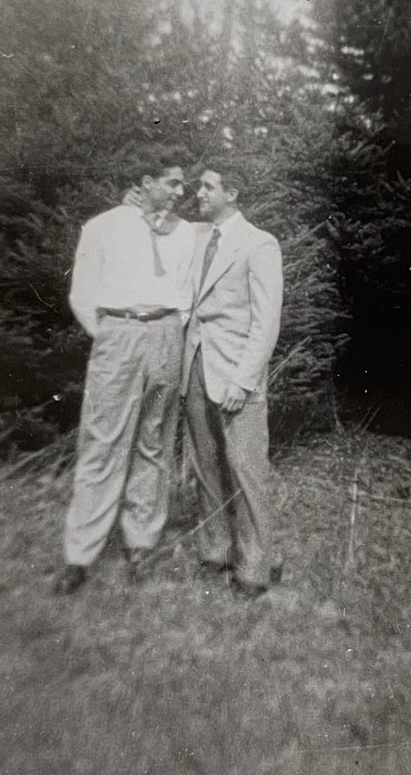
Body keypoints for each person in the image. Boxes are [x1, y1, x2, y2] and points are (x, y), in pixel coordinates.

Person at [56, 148, 198, 594]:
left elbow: (190, 290)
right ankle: (80, 554)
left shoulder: (186, 234)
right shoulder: (102, 228)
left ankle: (141, 543)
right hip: (118, 333)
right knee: (103, 442)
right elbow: (82, 294)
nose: (181, 192)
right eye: (172, 183)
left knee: (154, 440)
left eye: (183, 184)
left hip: (166, 334)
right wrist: (111, 335)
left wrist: (172, 327)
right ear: (146, 180)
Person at [182, 163, 284, 598]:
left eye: (208, 187)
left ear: (234, 192)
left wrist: (244, 381)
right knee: (205, 466)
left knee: (246, 468)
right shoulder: (197, 236)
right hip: (195, 366)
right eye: (198, 186)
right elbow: (159, 225)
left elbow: (266, 322)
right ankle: (215, 551)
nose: (198, 193)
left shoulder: (259, 243)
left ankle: (255, 567)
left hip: (236, 374)